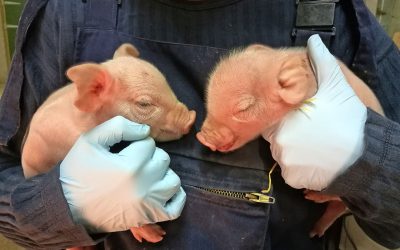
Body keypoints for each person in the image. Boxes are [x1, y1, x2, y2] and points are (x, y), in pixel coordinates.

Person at [0, 0, 399, 249]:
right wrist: (65, 206)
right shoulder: (67, 11)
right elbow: (10, 185)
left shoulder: (332, 12)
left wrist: (370, 160)